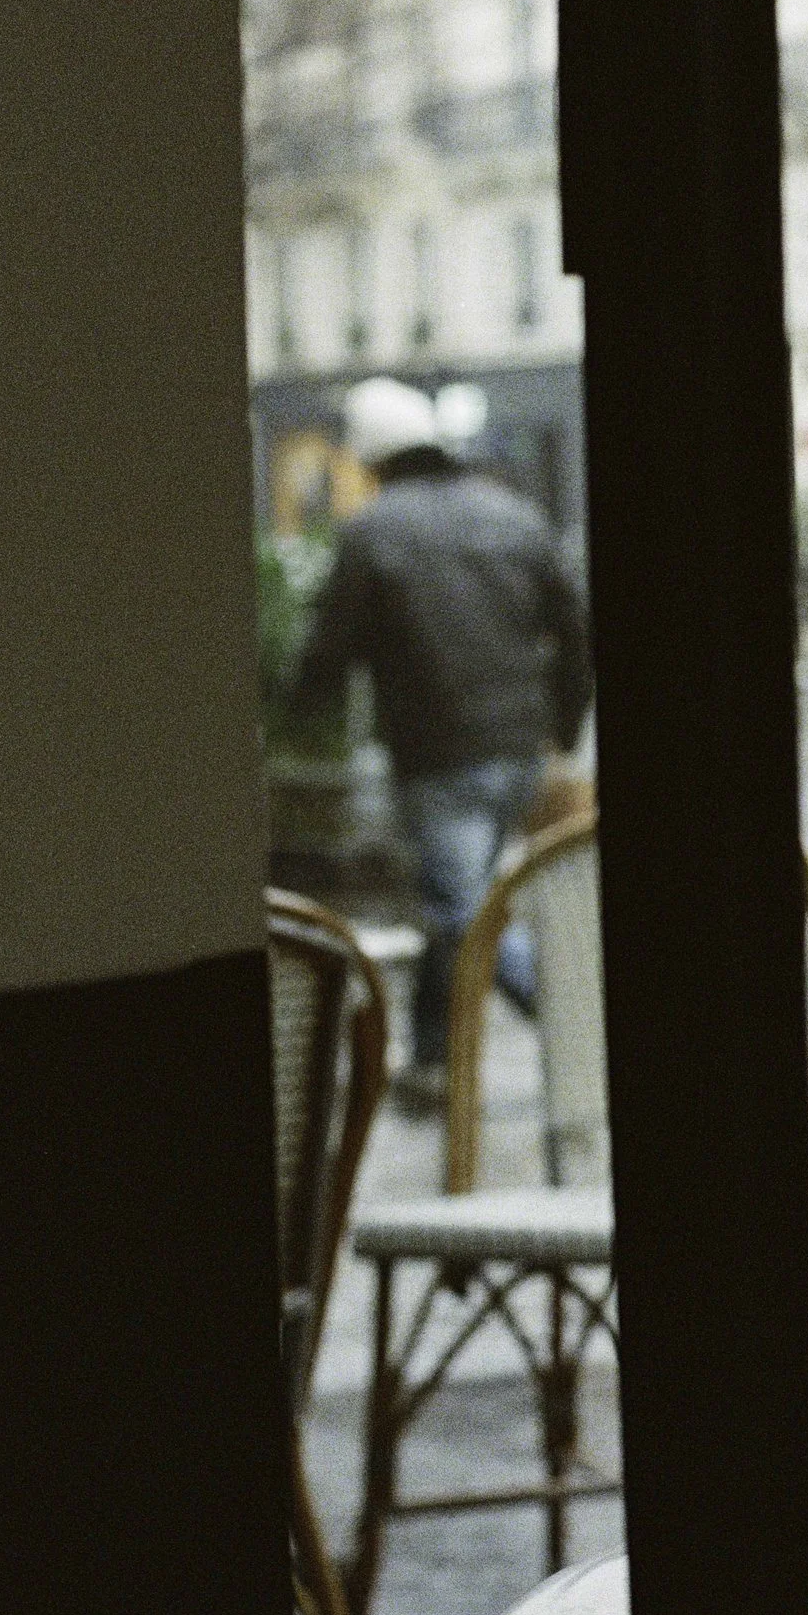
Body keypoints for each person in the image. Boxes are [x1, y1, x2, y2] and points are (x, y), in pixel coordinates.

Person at [289, 377, 594, 1112]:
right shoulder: (513, 515)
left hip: (438, 754)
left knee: (463, 910)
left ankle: (576, 1017)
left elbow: (328, 653)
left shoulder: (372, 532)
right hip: (520, 748)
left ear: (372, 457)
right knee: (458, 901)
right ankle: (433, 1058)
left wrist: (296, 713)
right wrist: (564, 727)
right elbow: (577, 628)